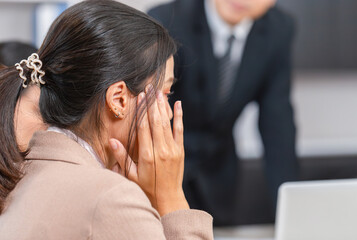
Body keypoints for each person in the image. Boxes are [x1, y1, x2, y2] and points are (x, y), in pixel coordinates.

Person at [0, 0, 213, 239]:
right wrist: (171, 198)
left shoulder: (20, 172)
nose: (170, 112)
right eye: (165, 93)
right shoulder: (111, 200)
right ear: (119, 100)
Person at [149, 0, 298, 225]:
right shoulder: (167, 19)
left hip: (220, 177)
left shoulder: (279, 29)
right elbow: (152, 108)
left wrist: (292, 216)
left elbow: (278, 128)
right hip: (163, 169)